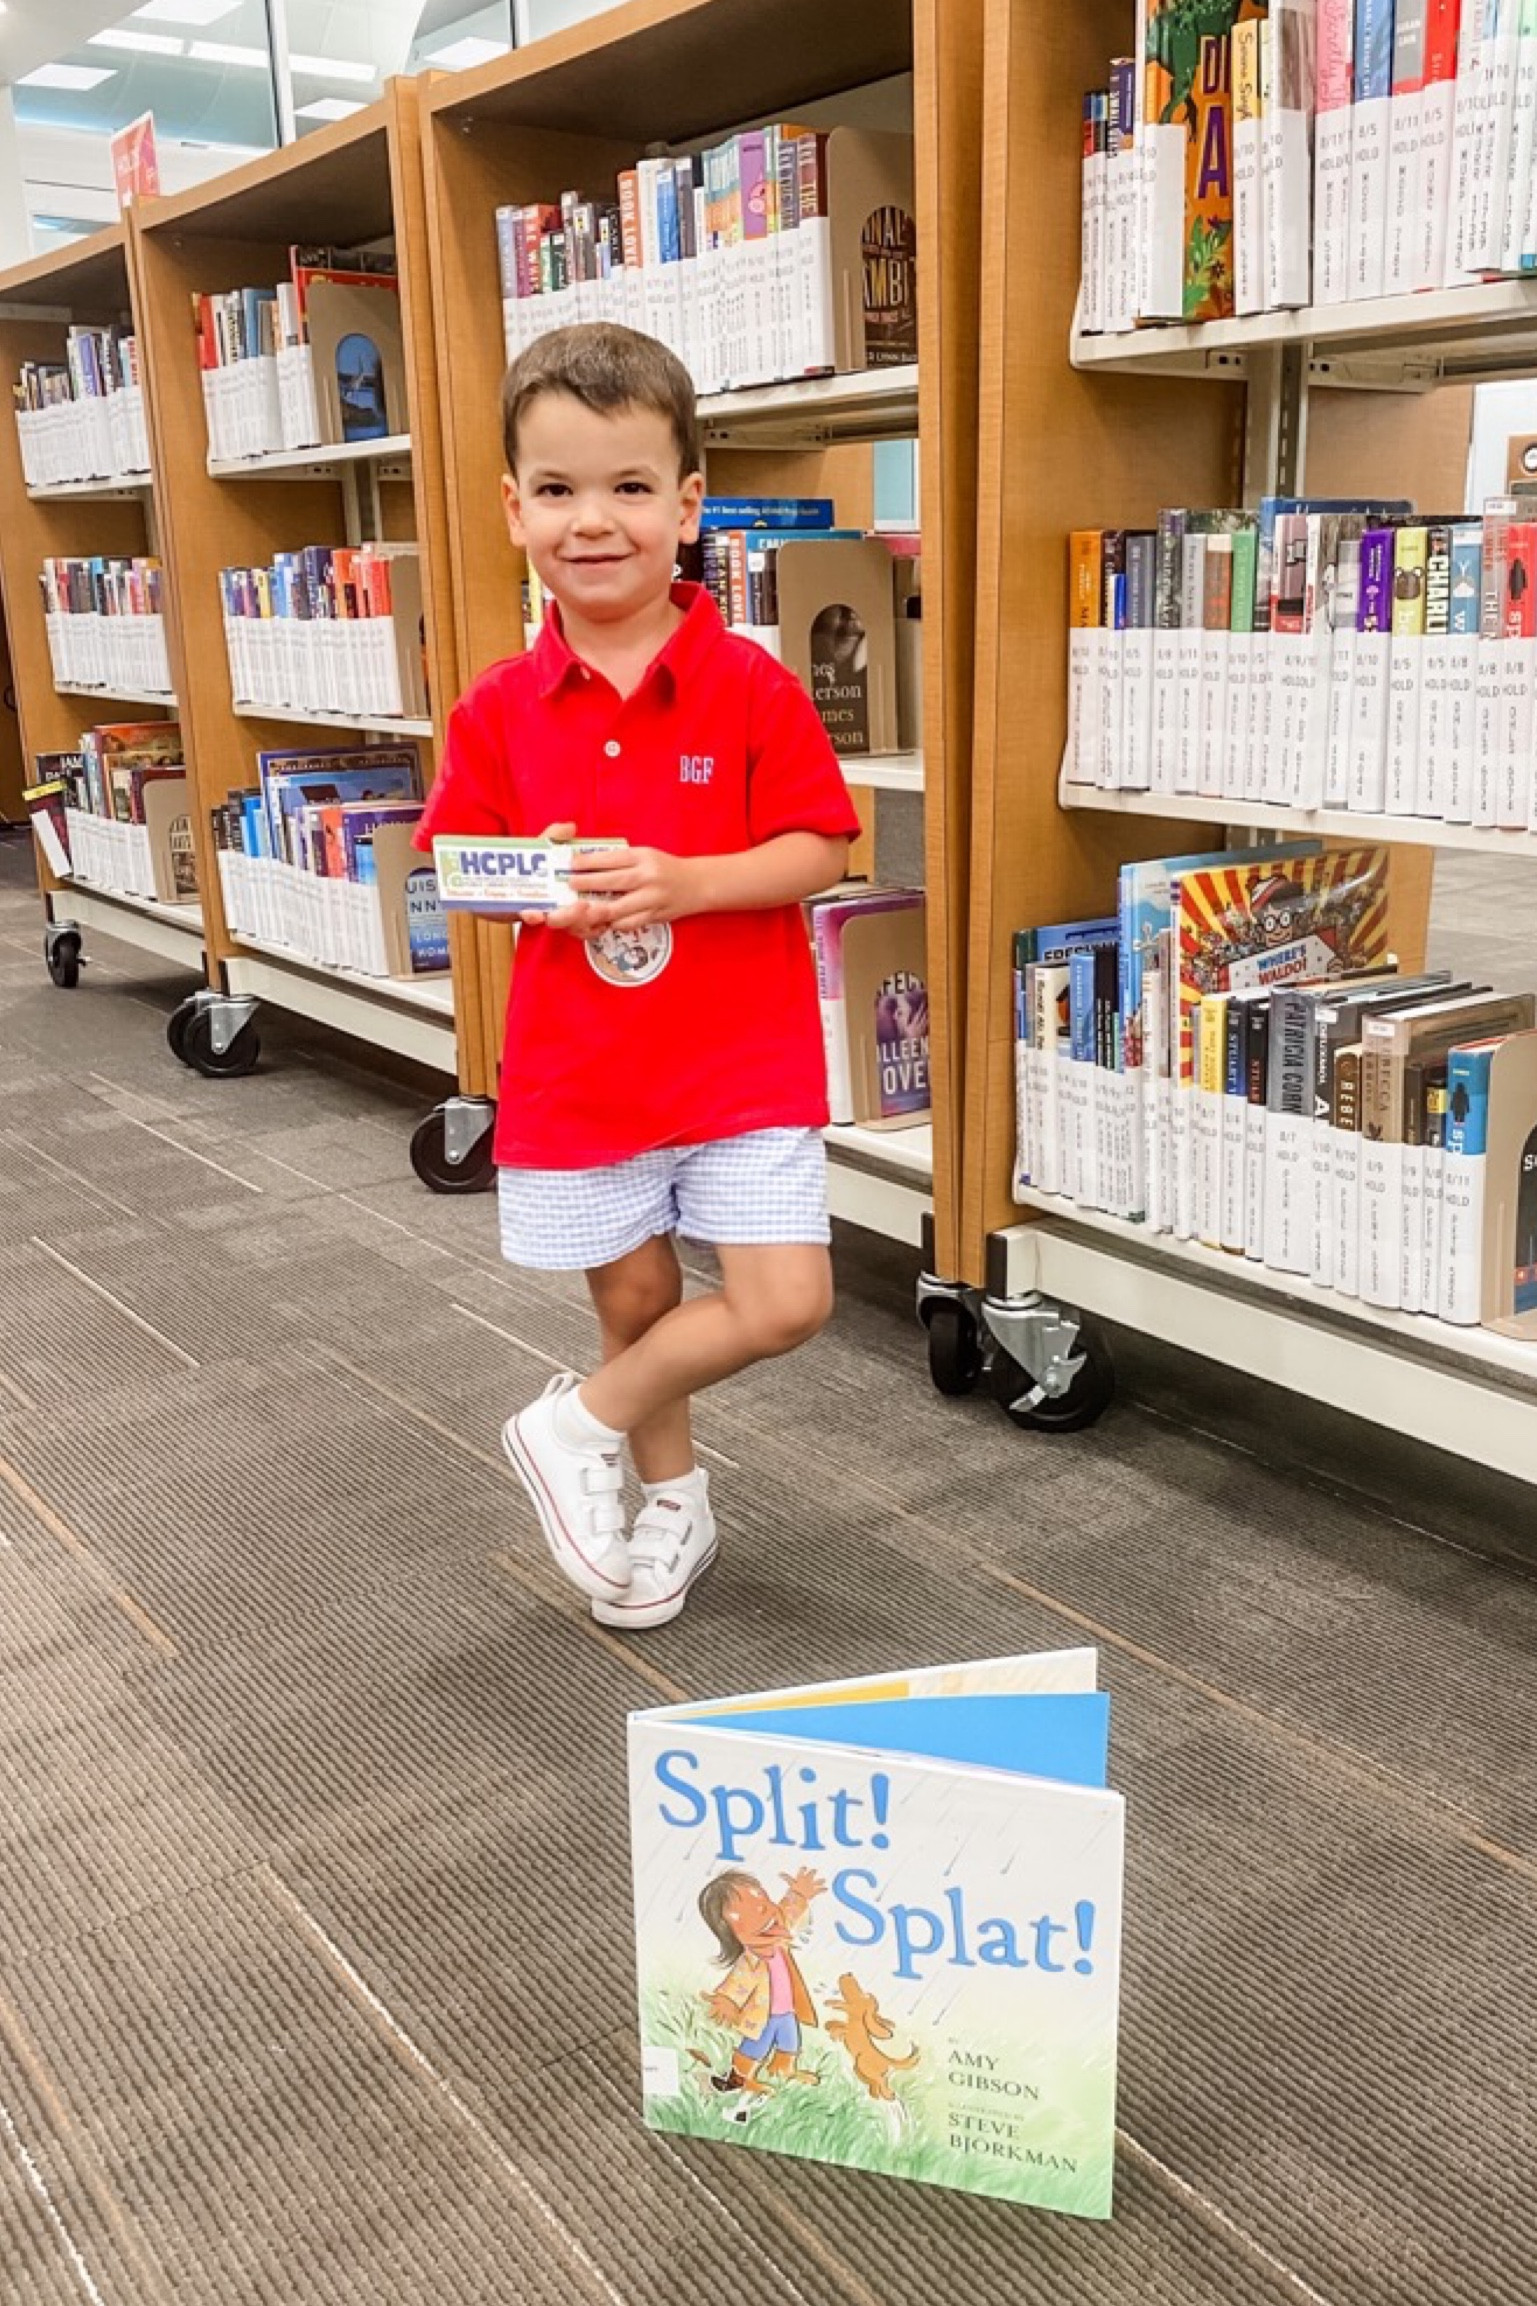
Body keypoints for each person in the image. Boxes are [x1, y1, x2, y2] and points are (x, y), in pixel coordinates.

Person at [415, 322, 860, 1631]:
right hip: (586, 1072)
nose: (591, 521)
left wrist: (683, 879)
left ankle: (575, 1425)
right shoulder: (497, 706)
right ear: (513, 507)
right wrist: (524, 874)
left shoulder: (748, 685)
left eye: (626, 488)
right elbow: (453, 869)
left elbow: (822, 847)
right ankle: (672, 1503)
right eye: (555, 490)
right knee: (640, 1297)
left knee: (784, 1298)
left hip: (743, 1061)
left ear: (687, 504)